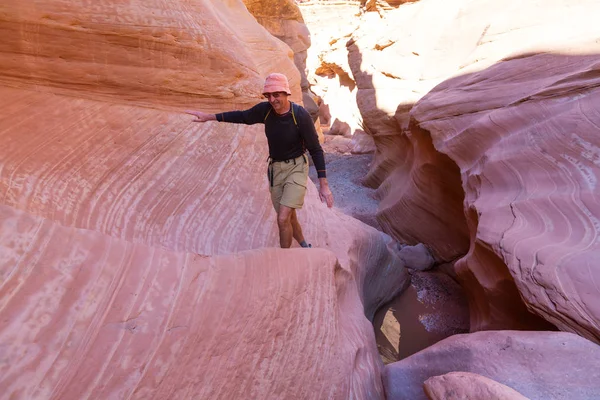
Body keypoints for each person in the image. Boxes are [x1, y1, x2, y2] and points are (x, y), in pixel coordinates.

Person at [186, 73, 334, 249]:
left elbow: (316, 150)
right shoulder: (265, 111)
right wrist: (209, 116)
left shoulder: (299, 115)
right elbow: (242, 116)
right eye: (268, 95)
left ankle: (285, 261)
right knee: (288, 215)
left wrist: (323, 185)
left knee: (282, 217)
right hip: (275, 170)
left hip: (296, 168)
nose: (272, 99)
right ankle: (303, 244)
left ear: (286, 93)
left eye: (276, 94)